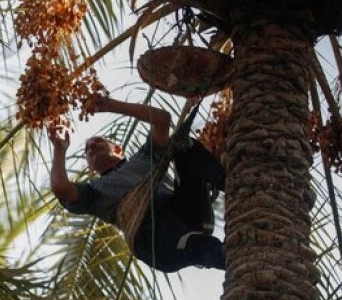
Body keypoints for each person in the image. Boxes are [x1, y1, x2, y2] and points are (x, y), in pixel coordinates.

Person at [49, 95, 226, 272]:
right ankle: (234, 258)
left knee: (184, 144)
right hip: (153, 238)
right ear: (90, 168)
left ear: (118, 149)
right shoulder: (94, 191)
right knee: (201, 247)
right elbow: (61, 189)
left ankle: (230, 183)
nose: (92, 146)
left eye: (98, 141)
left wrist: (111, 105)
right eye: (87, 149)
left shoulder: (145, 156)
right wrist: (59, 150)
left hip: (185, 212)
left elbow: (162, 120)